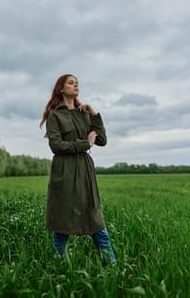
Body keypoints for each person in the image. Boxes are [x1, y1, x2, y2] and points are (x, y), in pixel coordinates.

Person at [40, 74, 116, 265]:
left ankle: (113, 270)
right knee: (62, 226)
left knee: (97, 223)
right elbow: (56, 146)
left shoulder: (84, 113)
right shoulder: (55, 115)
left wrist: (94, 115)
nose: (76, 85)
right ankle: (60, 270)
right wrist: (84, 143)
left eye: (77, 83)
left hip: (84, 172)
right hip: (64, 173)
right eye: (71, 83)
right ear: (61, 88)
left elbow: (102, 141)